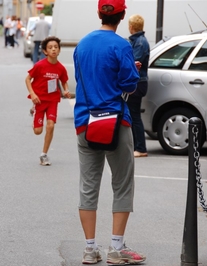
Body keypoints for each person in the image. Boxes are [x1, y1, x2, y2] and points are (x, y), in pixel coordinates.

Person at [73, 0, 146, 265]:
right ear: (122, 15)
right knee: (122, 184)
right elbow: (128, 82)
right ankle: (117, 248)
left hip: (85, 122)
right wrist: (133, 71)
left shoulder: (82, 44)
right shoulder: (122, 45)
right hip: (116, 123)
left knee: (88, 187)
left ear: (99, 14)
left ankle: (90, 249)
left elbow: (83, 79)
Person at [25, 36, 70, 166]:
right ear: (45, 51)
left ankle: (43, 155)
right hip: (39, 100)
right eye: (50, 48)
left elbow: (64, 82)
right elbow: (27, 79)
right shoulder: (39, 65)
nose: (53, 49)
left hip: (52, 100)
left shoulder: (61, 68)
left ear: (59, 50)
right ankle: (33, 110)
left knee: (50, 126)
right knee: (38, 131)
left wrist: (65, 90)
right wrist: (32, 94)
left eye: (56, 47)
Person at [126, 14, 150, 158]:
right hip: (139, 82)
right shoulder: (138, 40)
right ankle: (137, 145)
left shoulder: (140, 42)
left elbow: (134, 62)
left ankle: (140, 148)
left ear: (131, 27)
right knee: (133, 114)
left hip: (138, 82)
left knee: (134, 115)